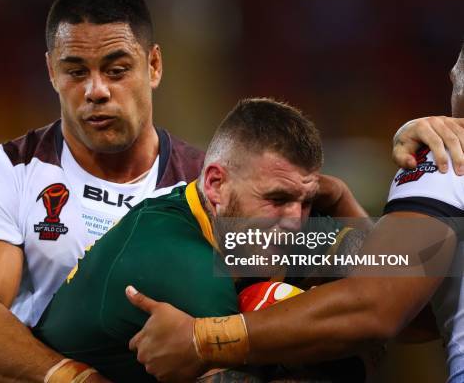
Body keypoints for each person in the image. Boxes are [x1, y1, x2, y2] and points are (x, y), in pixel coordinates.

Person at [126, 43, 464, 383]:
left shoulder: (447, 161)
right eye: (278, 200)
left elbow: (378, 307)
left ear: (454, 77)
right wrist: (345, 202)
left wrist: (203, 340)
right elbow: (417, 317)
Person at [0, 0, 204, 382]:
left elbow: (313, 288)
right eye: (76, 72)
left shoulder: (208, 183)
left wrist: (214, 338)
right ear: (50, 71)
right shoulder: (5, 174)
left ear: (153, 65)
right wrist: (75, 379)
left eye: (116, 70)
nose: (96, 90)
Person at [32, 98, 373, 382]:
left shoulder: (255, 225)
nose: (296, 223)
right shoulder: (182, 268)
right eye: (278, 200)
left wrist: (342, 198)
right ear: (215, 185)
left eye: (308, 201)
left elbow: (401, 292)